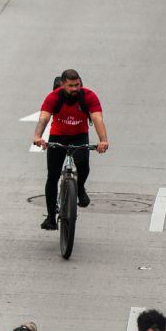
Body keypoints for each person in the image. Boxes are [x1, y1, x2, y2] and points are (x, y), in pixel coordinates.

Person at [32, 69, 109, 231]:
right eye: (70, 86)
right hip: (58, 137)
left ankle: (80, 188)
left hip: (79, 136)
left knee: (83, 167)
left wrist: (103, 140)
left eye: (77, 85)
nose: (75, 88)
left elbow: (97, 118)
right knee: (52, 177)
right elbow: (44, 117)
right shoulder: (54, 97)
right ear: (62, 85)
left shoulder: (88, 96)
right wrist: (38, 136)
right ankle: (51, 217)